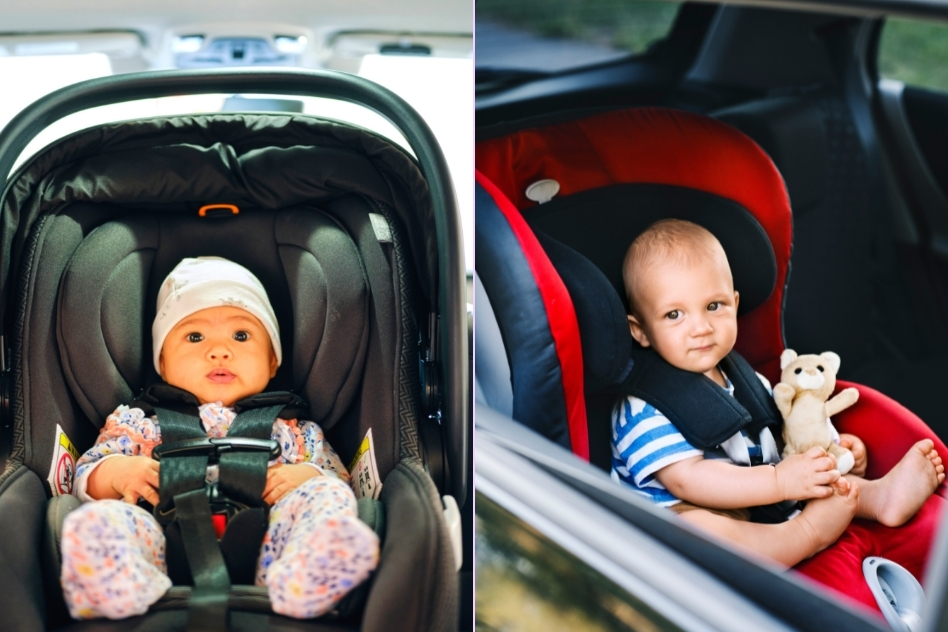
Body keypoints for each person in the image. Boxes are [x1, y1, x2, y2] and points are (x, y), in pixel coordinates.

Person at [611, 219, 945, 567]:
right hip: (686, 517)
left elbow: (787, 435)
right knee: (695, 527)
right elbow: (687, 481)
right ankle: (803, 535)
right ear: (641, 331)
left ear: (735, 303)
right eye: (674, 314)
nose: (701, 327)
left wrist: (833, 451)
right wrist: (779, 481)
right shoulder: (642, 408)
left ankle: (878, 498)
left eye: (714, 306)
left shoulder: (748, 380)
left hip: (761, 496)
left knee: (820, 476)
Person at [60, 256, 379, 620]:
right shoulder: (139, 425)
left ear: (273, 361)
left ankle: (308, 579)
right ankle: (116, 587)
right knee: (100, 519)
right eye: (194, 336)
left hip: (272, 543)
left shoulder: (294, 431)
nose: (219, 350)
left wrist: (307, 477)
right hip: (159, 538)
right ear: (162, 363)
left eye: (241, 335)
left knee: (327, 496)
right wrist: (117, 472)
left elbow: (339, 480)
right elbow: (83, 476)